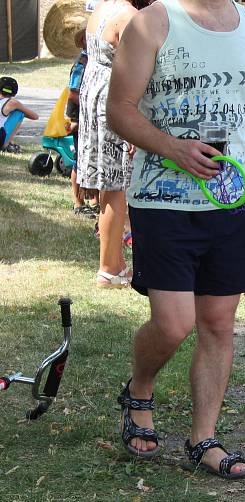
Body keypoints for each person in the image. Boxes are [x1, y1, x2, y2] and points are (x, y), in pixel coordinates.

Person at [107, 0, 245, 479]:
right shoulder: (154, 21)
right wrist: (172, 147)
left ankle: (203, 439)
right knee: (174, 324)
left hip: (230, 199)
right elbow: (118, 109)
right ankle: (139, 389)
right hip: (163, 199)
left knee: (218, 323)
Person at [78, 0, 150, 288]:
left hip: (94, 91)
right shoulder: (130, 17)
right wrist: (136, 124)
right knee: (117, 187)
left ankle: (113, 264)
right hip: (115, 99)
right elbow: (136, 72)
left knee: (110, 187)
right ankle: (109, 268)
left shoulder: (101, 9)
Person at [66, 28, 95, 219]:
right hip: (79, 117)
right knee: (80, 160)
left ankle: (94, 200)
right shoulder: (82, 63)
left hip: (89, 116)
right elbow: (73, 93)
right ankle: (78, 203)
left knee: (91, 157)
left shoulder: (92, 60)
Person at [0, 77, 39, 153]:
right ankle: (6, 144)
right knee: (20, 113)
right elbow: (35, 116)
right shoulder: (13, 103)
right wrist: (17, 108)